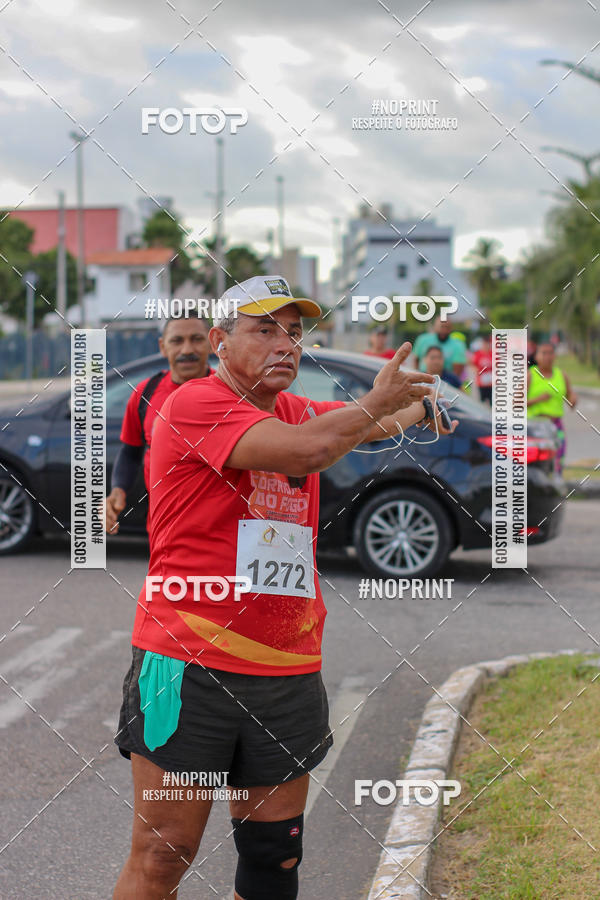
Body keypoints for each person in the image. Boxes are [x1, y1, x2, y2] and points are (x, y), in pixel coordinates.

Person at [112, 274, 457, 900]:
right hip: (187, 665)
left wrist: (418, 407)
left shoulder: (296, 409)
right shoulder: (193, 403)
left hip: (287, 668)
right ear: (220, 340)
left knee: (274, 861)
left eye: (295, 334)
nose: (285, 345)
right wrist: (377, 407)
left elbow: (356, 427)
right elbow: (310, 450)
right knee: (164, 857)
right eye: (264, 329)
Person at [105, 316, 212, 534]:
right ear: (163, 347)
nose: (187, 349)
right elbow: (131, 452)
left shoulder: (230, 394)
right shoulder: (145, 394)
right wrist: (118, 489)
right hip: (163, 528)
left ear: (211, 343)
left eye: (197, 339)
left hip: (217, 528)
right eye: (177, 341)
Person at [527, 342, 577, 473]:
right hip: (536, 424)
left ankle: (556, 482)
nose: (547, 356)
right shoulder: (530, 375)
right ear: (536, 356)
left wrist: (573, 399)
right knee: (538, 460)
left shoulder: (562, 375)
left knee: (558, 455)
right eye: (543, 353)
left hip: (556, 424)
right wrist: (538, 399)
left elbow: (570, 399)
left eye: (551, 353)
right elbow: (515, 403)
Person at [471, 333, 493, 403]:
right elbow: (473, 365)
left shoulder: (493, 354)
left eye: (488, 344)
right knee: (482, 401)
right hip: (481, 382)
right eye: (485, 344)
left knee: (492, 400)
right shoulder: (478, 354)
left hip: (491, 383)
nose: (486, 346)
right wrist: (477, 371)